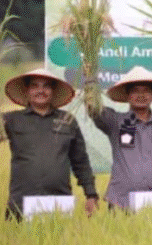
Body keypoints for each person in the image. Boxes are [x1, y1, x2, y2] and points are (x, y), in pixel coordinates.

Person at [2, 69, 99, 220]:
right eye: (34, 86)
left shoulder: (67, 120)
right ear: (27, 91)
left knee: (59, 242)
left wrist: (91, 194)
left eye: (46, 86)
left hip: (59, 201)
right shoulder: (10, 120)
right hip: (20, 202)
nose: (40, 91)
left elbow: (81, 162)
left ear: (53, 91)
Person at [86, 66, 152, 209]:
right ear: (127, 95)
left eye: (146, 90)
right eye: (135, 91)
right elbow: (94, 110)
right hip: (121, 203)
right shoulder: (115, 122)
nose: (141, 95)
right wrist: (90, 83)